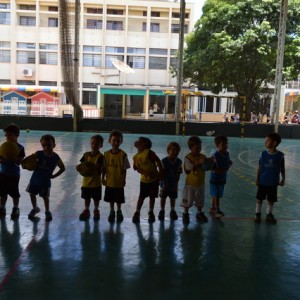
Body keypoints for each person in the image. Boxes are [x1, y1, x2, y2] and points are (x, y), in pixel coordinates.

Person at [27, 134, 65, 221]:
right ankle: (35, 208)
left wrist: (54, 176)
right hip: (34, 180)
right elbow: (29, 160)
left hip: (45, 182)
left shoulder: (56, 157)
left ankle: (47, 211)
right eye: (44, 145)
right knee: (32, 194)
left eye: (49, 145)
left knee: (45, 197)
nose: (46, 147)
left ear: (54, 145)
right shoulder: (38, 154)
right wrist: (27, 164)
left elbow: (62, 168)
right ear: (41, 145)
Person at [181, 136, 214, 224]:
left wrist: (209, 161)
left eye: (200, 147)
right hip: (190, 184)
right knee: (188, 200)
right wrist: (199, 162)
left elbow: (206, 167)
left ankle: (199, 213)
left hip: (200, 183)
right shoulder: (188, 157)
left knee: (200, 200)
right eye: (197, 148)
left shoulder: (202, 156)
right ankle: (185, 213)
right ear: (191, 148)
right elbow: (188, 168)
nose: (199, 149)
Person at [254, 132, 285, 224]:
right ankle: (257, 213)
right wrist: (257, 178)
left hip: (273, 182)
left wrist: (283, 179)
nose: (265, 143)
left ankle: (269, 214)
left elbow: (282, 168)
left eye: (267, 141)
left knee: (271, 200)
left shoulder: (280, 155)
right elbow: (260, 167)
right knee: (259, 198)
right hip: (263, 181)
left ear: (274, 143)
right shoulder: (263, 154)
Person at [132, 137, 163, 223]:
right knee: (141, 197)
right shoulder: (135, 157)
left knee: (152, 197)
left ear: (144, 144)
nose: (137, 141)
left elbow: (158, 161)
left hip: (154, 180)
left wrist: (160, 172)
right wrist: (145, 173)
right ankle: (137, 212)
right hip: (144, 181)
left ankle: (150, 212)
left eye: (139, 141)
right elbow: (137, 168)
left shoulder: (149, 153)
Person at [102, 130, 130, 222]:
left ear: (121, 141)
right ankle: (111, 211)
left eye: (118, 140)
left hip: (118, 181)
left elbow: (125, 168)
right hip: (109, 181)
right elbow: (104, 168)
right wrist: (103, 178)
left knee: (118, 198)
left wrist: (124, 179)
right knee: (111, 198)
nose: (115, 142)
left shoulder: (123, 155)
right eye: (114, 140)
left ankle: (119, 210)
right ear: (109, 140)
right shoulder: (106, 154)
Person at [0, 124, 25, 220]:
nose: (7, 137)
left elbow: (20, 162)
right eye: (6, 135)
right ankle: (2, 208)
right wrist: (2, 159)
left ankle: (15, 208)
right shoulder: (3, 146)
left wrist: (13, 158)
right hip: (2, 173)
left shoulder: (20, 148)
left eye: (9, 135)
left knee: (14, 193)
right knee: (2, 193)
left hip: (14, 175)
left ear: (16, 135)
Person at [77, 135, 104, 221]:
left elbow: (99, 167)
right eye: (92, 143)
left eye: (97, 144)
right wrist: (78, 168)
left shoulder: (101, 156)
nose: (94, 145)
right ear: (90, 144)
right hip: (86, 182)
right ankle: (87, 210)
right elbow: (81, 166)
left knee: (96, 199)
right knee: (86, 198)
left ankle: (96, 210)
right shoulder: (86, 155)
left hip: (96, 183)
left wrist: (90, 168)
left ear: (101, 145)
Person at [158, 142, 183, 221]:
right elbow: (161, 173)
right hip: (165, 183)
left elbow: (178, 174)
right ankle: (162, 210)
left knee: (173, 197)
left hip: (173, 183)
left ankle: (172, 210)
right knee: (163, 197)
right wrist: (162, 185)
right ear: (168, 151)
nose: (175, 152)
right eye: (173, 150)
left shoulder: (179, 162)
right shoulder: (164, 161)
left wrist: (176, 184)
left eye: (177, 150)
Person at [209, 136, 232, 218]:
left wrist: (229, 164)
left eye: (226, 144)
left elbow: (228, 162)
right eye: (223, 144)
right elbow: (211, 168)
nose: (225, 146)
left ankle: (212, 207)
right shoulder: (215, 156)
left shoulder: (227, 153)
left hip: (222, 178)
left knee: (216, 194)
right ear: (217, 145)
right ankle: (217, 210)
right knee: (216, 195)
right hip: (215, 179)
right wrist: (220, 170)